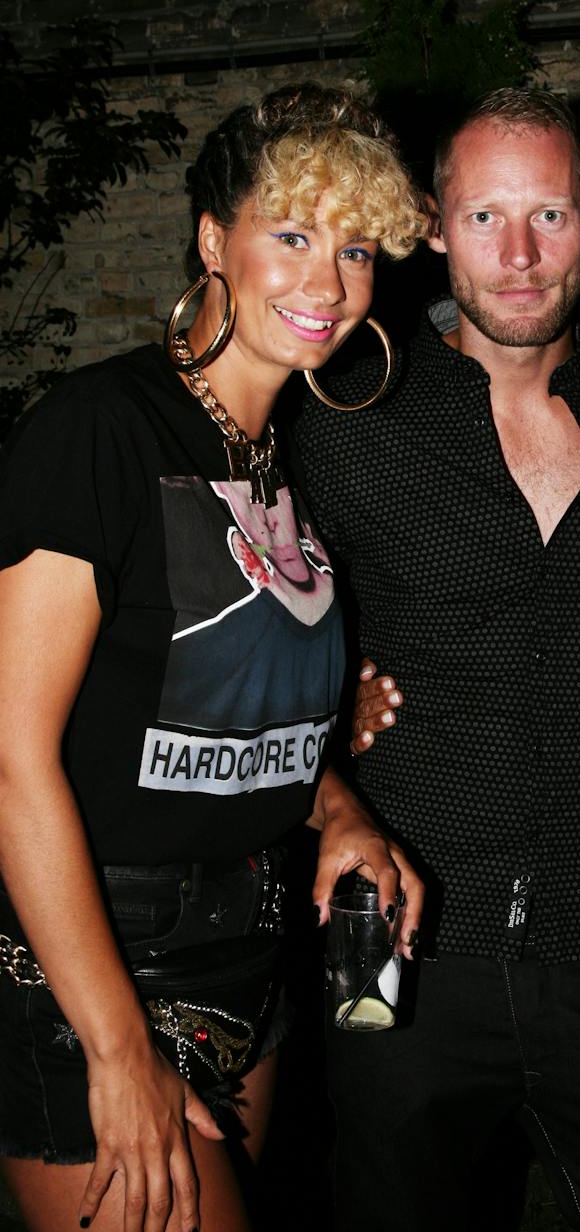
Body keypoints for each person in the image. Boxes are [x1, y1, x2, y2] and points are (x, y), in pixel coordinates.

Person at [0, 83, 425, 1232]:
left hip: (251, 953)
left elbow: (230, 712)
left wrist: (339, 806)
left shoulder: (283, 458)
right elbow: (11, 758)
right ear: (210, 241)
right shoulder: (100, 429)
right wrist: (114, 1042)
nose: (327, 283)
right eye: (290, 235)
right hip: (97, 961)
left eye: (354, 247)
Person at [294, 88, 580, 1232]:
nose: (518, 256)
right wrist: (325, 717)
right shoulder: (344, 415)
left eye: (548, 215)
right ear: (434, 223)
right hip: (398, 942)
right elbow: (254, 641)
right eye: (484, 216)